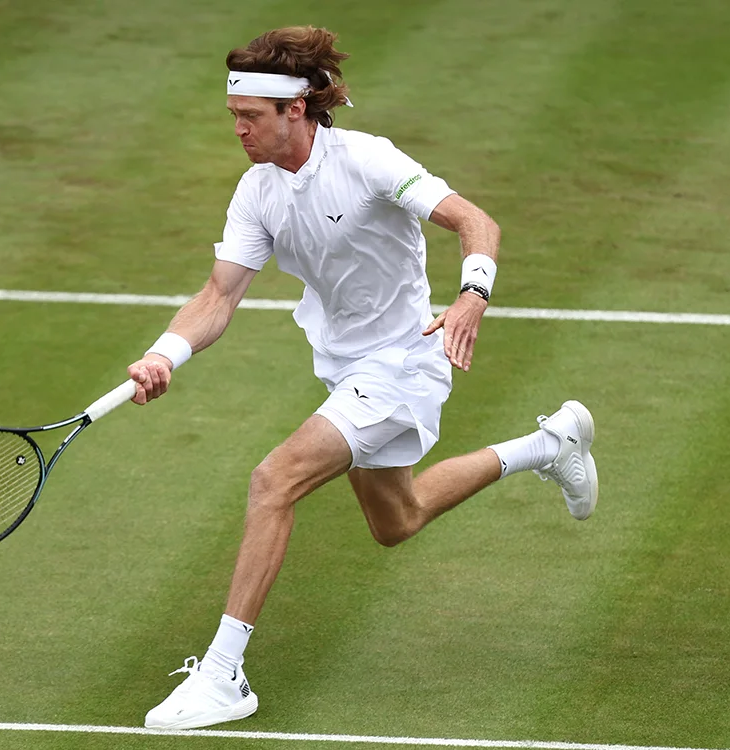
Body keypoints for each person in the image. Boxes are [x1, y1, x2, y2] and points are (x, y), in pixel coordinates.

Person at [125, 26, 599, 730]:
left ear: (296, 109)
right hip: (345, 368)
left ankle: (224, 676)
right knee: (396, 520)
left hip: (406, 361)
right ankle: (550, 445)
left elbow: (475, 221)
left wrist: (472, 293)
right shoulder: (257, 191)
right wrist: (167, 352)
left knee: (273, 480)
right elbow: (218, 295)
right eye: (234, 117)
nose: (239, 131)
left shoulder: (369, 160)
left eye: (250, 117)